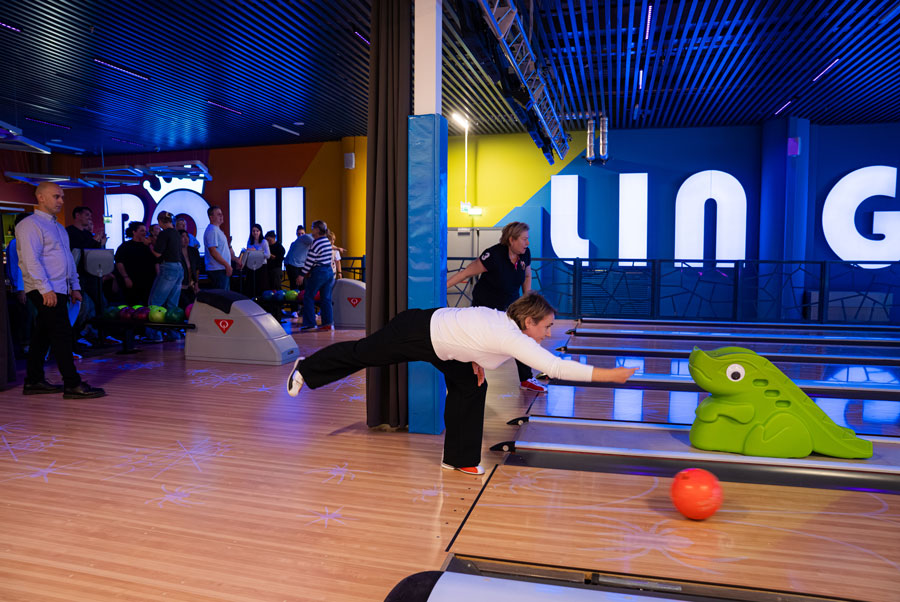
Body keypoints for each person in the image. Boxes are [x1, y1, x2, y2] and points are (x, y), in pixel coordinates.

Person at [285, 292, 635, 474]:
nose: (548, 333)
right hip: (417, 332)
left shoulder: (504, 323)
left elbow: (472, 334)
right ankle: (307, 367)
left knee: (471, 386)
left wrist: (475, 358)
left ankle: (458, 459)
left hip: (444, 344)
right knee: (363, 353)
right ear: (529, 322)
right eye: (546, 327)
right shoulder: (511, 335)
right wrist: (611, 375)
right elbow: (555, 367)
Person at [15, 183, 105, 399]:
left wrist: (75, 286)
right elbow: (30, 260)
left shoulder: (58, 227)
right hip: (44, 289)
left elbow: (68, 260)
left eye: (62, 197)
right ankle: (72, 384)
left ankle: (34, 381)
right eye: (56, 196)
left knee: (43, 334)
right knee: (62, 333)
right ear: (40, 197)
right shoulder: (29, 225)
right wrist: (45, 289)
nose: (61, 201)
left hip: (59, 288)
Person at [446, 221, 545, 393]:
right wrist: (440, 288)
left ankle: (526, 379)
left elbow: (527, 275)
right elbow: (465, 273)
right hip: (485, 306)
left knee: (521, 336)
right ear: (511, 239)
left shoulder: (525, 254)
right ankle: (466, 376)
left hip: (510, 304)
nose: (527, 243)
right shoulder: (493, 255)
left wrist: (526, 298)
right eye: (524, 239)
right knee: (476, 342)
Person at [296, 220, 334, 331]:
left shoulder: (316, 243)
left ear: (317, 229)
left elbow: (310, 261)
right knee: (326, 298)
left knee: (308, 296)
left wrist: (302, 275)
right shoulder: (327, 241)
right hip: (329, 271)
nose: (311, 230)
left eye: (313, 227)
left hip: (319, 272)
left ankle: (310, 324)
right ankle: (327, 323)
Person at [147, 211, 184, 311]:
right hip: (179, 267)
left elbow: (157, 254)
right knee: (172, 303)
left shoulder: (164, 233)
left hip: (168, 268)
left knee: (155, 301)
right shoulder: (177, 233)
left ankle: (153, 321)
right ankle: (172, 320)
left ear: (160, 221)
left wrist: (149, 245)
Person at [114, 222, 157, 306]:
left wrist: (150, 245)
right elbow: (119, 262)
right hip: (132, 281)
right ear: (134, 232)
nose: (144, 233)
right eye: (142, 231)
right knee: (132, 306)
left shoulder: (148, 246)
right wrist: (126, 277)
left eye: (145, 231)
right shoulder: (125, 246)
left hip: (148, 282)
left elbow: (157, 259)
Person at [203, 206, 240, 290]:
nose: (221, 216)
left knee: (224, 295)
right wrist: (227, 265)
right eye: (218, 214)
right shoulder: (212, 230)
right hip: (217, 269)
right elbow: (213, 251)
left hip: (221, 269)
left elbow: (223, 250)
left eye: (221, 214)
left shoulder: (217, 230)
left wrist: (235, 259)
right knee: (221, 296)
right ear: (211, 217)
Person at [240, 223, 270, 298]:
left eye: (257, 231)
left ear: (260, 232)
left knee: (261, 286)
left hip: (261, 266)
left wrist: (256, 251)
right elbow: (247, 253)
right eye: (253, 231)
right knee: (250, 286)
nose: (255, 233)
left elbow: (268, 255)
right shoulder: (250, 241)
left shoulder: (264, 241)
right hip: (251, 266)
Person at [178, 229, 201, 307]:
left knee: (192, 306)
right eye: (182, 236)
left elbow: (197, 268)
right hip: (179, 285)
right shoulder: (175, 252)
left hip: (191, 285)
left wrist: (196, 283)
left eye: (187, 236)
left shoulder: (193, 251)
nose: (186, 239)